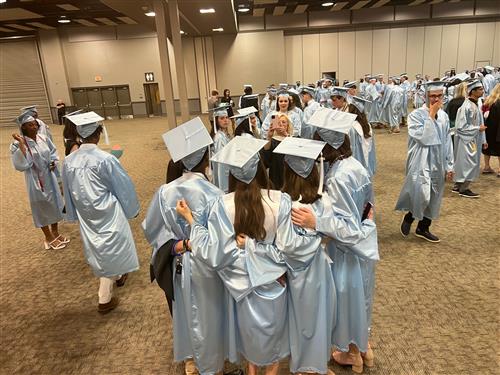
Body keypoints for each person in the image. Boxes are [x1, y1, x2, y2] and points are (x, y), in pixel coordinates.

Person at [177, 136, 321, 375]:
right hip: (273, 284)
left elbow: (213, 253)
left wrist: (192, 220)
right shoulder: (280, 201)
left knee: (250, 344)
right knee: (273, 348)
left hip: (239, 288)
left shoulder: (220, 205)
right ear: (261, 168)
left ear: (231, 174)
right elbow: (290, 250)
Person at [294, 108, 379, 373]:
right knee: (360, 299)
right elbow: (368, 209)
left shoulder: (339, 177)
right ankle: (364, 350)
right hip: (361, 250)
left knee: (346, 302)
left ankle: (352, 353)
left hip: (346, 251)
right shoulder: (354, 166)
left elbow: (346, 227)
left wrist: (316, 222)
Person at [143, 117, 229, 375]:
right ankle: (214, 359)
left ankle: (192, 359)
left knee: (186, 310)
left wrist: (177, 244)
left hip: (181, 262)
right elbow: (221, 236)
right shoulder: (215, 193)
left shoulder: (165, 192)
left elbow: (150, 229)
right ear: (206, 156)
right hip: (208, 262)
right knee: (211, 312)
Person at [62, 111, 139, 313]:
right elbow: (122, 186)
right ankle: (104, 298)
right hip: (107, 209)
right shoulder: (105, 159)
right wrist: (131, 209)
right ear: (98, 133)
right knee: (112, 244)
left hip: (85, 213)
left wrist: (72, 213)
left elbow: (67, 191)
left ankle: (118, 275)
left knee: (98, 245)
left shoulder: (69, 161)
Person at [274, 136, 337, 375]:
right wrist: (316, 234)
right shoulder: (323, 201)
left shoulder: (281, 202)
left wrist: (313, 232)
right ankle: (306, 368)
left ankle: (314, 365)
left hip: (294, 270)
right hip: (315, 267)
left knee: (303, 318)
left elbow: (284, 244)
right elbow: (327, 235)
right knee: (317, 316)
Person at [395, 81, 454, 243]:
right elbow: (423, 138)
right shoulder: (416, 115)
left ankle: (424, 227)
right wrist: (431, 116)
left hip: (439, 160)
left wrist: (450, 165)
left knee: (435, 195)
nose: (436, 99)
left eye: (439, 96)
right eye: (432, 96)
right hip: (421, 159)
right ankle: (409, 217)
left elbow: (448, 141)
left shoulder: (444, 116)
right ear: (426, 97)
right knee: (421, 192)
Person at [10, 111, 67, 250]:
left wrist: (53, 161)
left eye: (35, 124)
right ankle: (48, 237)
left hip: (49, 175)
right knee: (40, 207)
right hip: (35, 179)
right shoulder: (16, 144)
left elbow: (53, 151)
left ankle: (55, 232)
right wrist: (22, 144)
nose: (34, 127)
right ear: (23, 127)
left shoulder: (42, 138)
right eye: (30, 125)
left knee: (55, 203)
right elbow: (22, 164)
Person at [452, 79, 487, 198]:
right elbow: (461, 127)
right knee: (468, 163)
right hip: (466, 139)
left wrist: (483, 140)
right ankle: (464, 188)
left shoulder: (475, 104)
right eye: (480, 89)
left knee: (464, 163)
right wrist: (478, 129)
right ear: (473, 91)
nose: (483, 91)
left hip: (473, 138)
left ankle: (457, 186)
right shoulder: (466, 106)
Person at [262, 113, 295, 189]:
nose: (281, 125)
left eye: (283, 122)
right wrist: (269, 137)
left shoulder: (293, 138)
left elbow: (295, 153)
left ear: (288, 125)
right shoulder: (273, 140)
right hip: (275, 174)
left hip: (289, 174)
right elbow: (266, 158)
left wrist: (286, 135)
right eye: (278, 122)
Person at [348, 96, 376, 179]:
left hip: (357, 160)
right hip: (367, 160)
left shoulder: (352, 127)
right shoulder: (367, 125)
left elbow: (351, 147)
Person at [212, 106, 232, 192]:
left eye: (227, 118)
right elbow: (221, 162)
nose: (225, 120)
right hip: (223, 171)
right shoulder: (219, 138)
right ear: (216, 120)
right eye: (222, 118)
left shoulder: (224, 134)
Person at [481, 83, 500, 176]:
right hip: (498, 128)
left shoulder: (488, 100)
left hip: (488, 128)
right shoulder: (499, 102)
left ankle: (487, 167)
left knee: (487, 147)